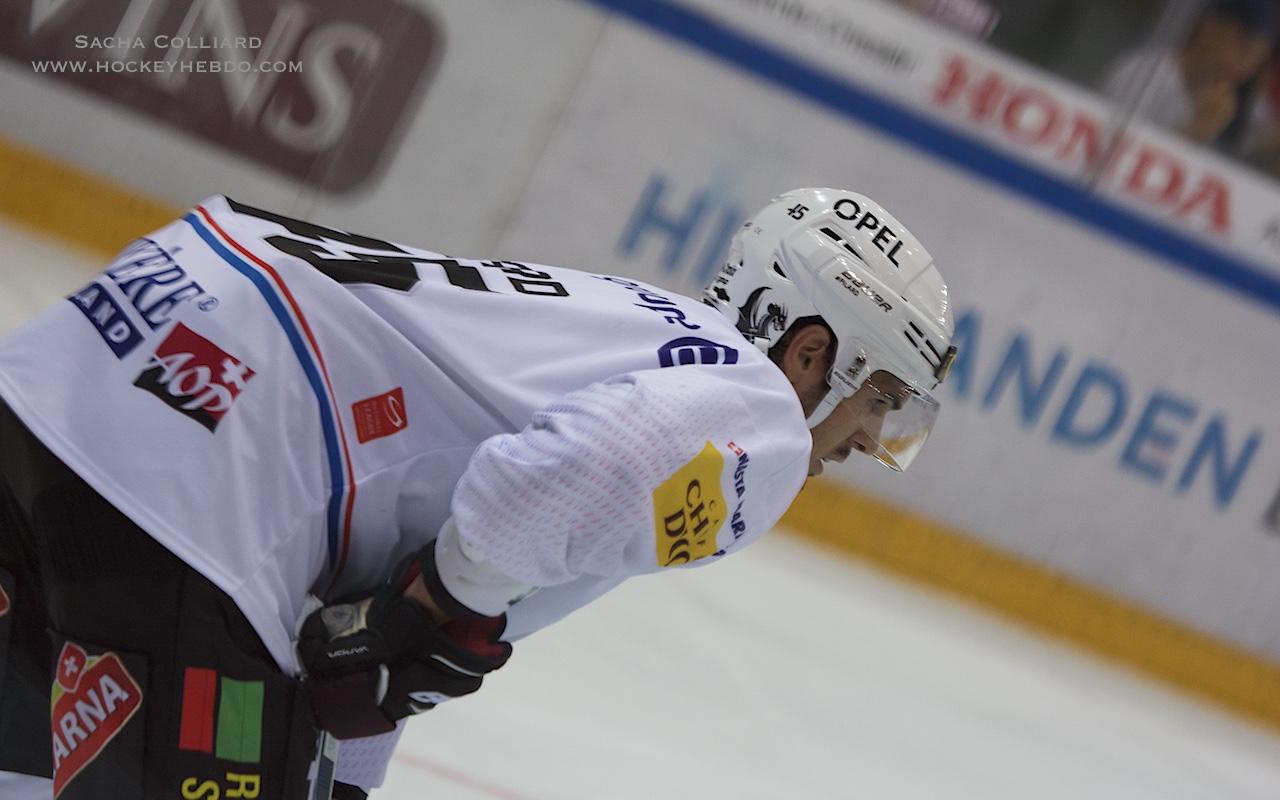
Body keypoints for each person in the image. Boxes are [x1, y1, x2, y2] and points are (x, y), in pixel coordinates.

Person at [0, 188, 956, 799]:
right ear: (810, 352)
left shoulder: (632, 325)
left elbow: (370, 650)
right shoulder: (762, 418)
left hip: (98, 355)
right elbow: (561, 479)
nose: (870, 439)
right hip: (222, 457)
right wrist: (437, 610)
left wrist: (397, 665)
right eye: (878, 398)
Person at [1101, 0, 1275, 145]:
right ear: (1211, 25)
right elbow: (1109, 148)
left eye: (1256, 60)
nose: (1244, 66)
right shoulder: (1144, 74)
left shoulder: (1230, 109)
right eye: (1243, 48)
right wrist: (1195, 130)